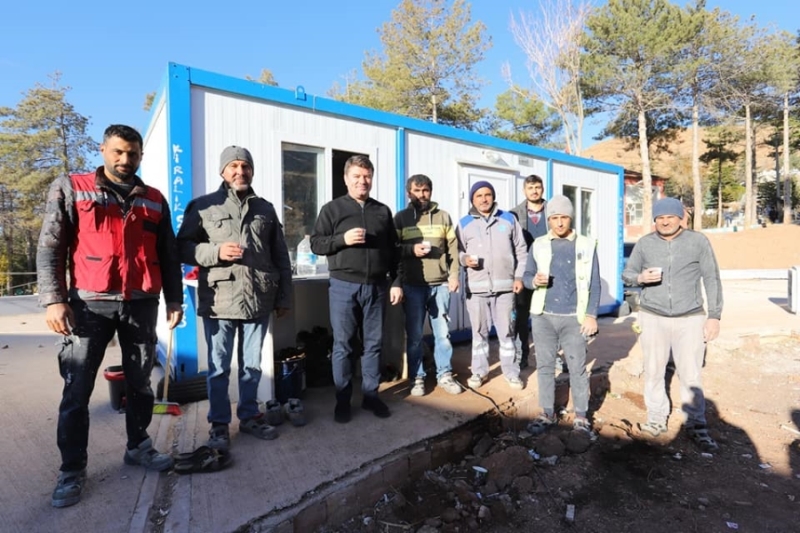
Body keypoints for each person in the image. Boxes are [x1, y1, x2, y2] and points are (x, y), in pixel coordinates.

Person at [37, 124, 184, 508]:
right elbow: (51, 245)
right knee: (77, 389)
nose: (125, 159)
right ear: (103, 149)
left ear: (140, 156)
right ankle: (72, 469)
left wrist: (174, 299)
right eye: (118, 151)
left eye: (132, 153)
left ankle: (139, 445)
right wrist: (54, 299)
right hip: (89, 304)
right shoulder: (73, 187)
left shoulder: (154, 199)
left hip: (141, 302)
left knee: (141, 383)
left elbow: (168, 253)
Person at [177, 146, 292, 450]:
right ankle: (218, 424)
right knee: (218, 369)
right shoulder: (203, 206)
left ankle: (250, 416)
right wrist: (215, 252)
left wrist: (284, 298)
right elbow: (182, 247)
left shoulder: (265, 208)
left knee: (252, 366)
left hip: (258, 298)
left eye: (245, 166)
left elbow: (280, 256)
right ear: (223, 171)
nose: (240, 171)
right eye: (234, 166)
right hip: (220, 300)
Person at [622, 197, 723, 452]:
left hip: (690, 318)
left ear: (681, 218)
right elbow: (627, 273)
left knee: (690, 373)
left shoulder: (698, 242)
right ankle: (656, 418)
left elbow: (711, 277)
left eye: (670, 217)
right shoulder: (645, 243)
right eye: (660, 218)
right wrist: (640, 277)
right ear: (654, 220)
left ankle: (696, 424)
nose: (665, 222)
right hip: (653, 316)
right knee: (654, 370)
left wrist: (714, 315)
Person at [310, 155, 402, 423]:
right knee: (344, 345)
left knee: (374, 344)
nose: (363, 181)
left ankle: (371, 396)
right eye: (357, 176)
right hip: (343, 286)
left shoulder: (382, 211)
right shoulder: (332, 209)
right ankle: (343, 400)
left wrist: (396, 281)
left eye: (367, 176)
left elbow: (393, 250)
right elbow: (316, 244)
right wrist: (343, 239)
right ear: (346, 179)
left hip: (377, 286)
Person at [522, 195, 600, 435]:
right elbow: (526, 276)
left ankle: (581, 416)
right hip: (543, 316)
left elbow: (594, 284)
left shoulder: (586, 245)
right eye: (554, 218)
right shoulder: (539, 244)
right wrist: (533, 281)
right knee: (545, 366)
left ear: (570, 218)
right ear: (548, 220)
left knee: (577, 367)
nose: (559, 222)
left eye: (563, 217)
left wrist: (591, 315)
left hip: (574, 318)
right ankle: (547, 413)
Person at [394, 174, 461, 396]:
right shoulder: (401, 218)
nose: (422, 195)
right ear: (409, 193)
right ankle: (417, 378)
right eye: (417, 190)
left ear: (430, 192)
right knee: (414, 336)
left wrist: (454, 275)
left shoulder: (443, 216)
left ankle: (444, 374)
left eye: (425, 190)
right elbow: (393, 250)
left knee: (443, 334)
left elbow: (453, 249)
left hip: (440, 285)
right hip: (412, 286)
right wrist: (410, 250)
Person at [457, 181, 528, 390]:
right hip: (477, 290)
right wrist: (464, 259)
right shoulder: (464, 223)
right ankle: (479, 372)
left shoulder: (508, 219)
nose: (484, 199)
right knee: (479, 333)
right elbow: (456, 252)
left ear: (493, 196)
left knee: (507, 332)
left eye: (487, 194)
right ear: (472, 199)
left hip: (505, 288)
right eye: (478, 196)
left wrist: (519, 277)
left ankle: (511, 372)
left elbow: (521, 250)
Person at [510, 174, 549, 370]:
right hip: (524, 272)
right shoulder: (514, 215)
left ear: (542, 189)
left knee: (549, 317)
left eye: (537, 187)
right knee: (521, 317)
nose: (534, 191)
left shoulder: (553, 211)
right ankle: (522, 354)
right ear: (524, 190)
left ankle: (552, 356)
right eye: (530, 187)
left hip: (549, 272)